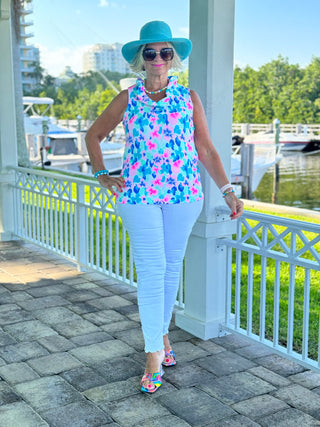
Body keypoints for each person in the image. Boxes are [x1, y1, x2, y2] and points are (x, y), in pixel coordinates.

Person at [85, 20, 243, 394]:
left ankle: (162, 337)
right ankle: (153, 352)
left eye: (165, 52)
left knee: (171, 269)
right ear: (141, 59)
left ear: (173, 59)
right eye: (151, 52)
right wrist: (102, 174)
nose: (158, 58)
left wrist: (227, 190)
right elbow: (93, 135)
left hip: (184, 196)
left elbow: (204, 148)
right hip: (138, 197)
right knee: (152, 271)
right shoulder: (128, 97)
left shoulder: (189, 97)